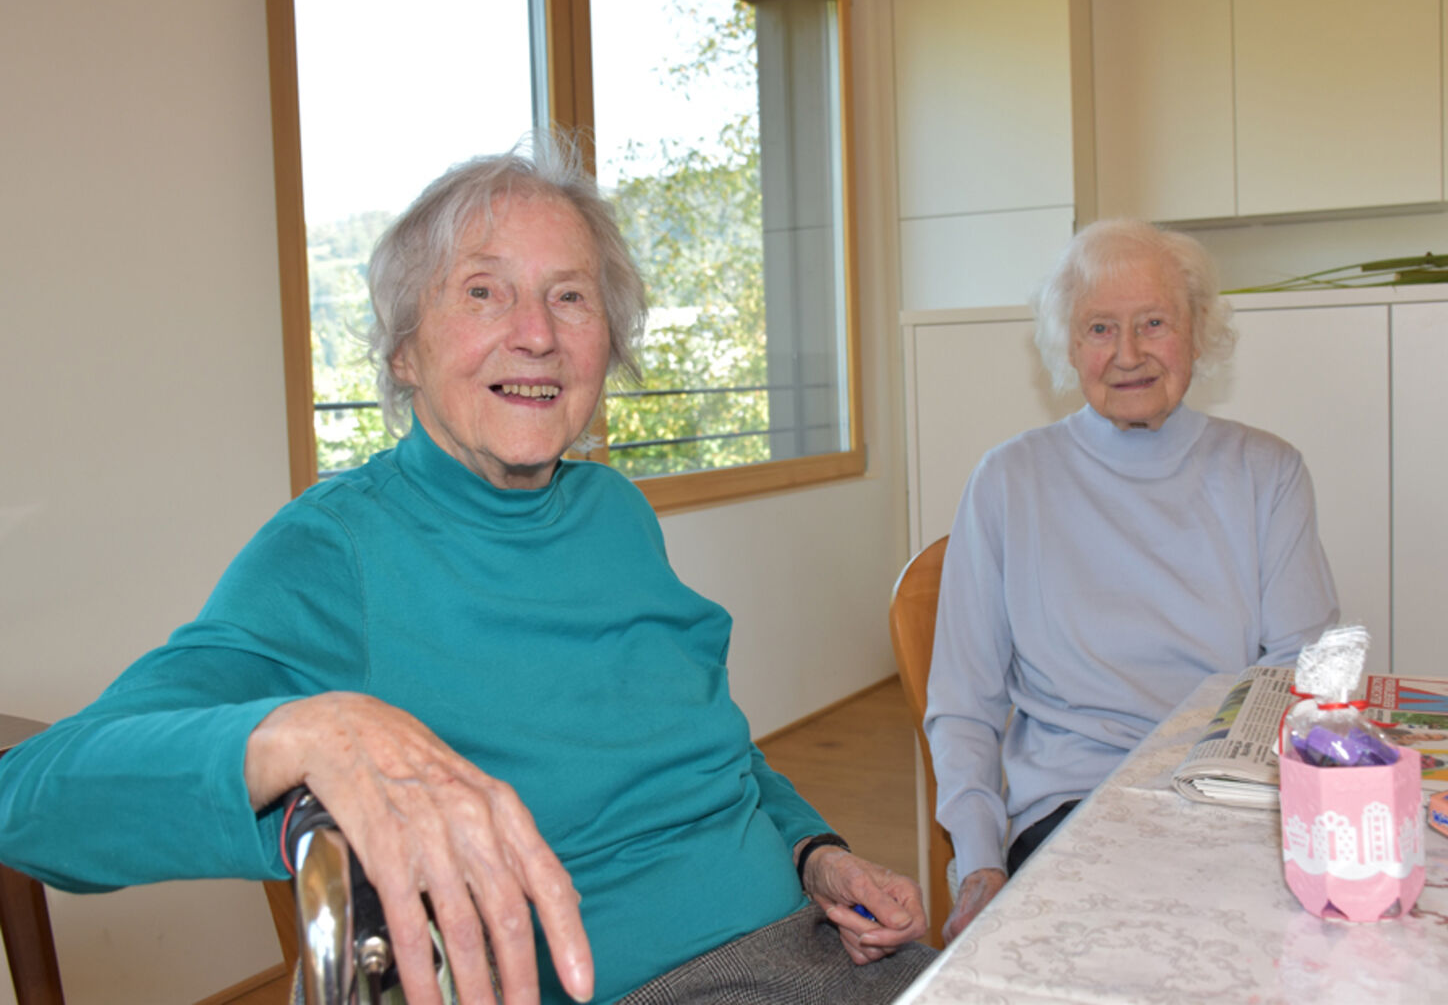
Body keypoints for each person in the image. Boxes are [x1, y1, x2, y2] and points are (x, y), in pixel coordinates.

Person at [0, 139, 932, 1004]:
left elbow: (703, 749)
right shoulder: (336, 548)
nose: (536, 333)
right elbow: (29, 801)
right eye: (483, 292)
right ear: (405, 350)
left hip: (809, 943)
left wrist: (814, 852)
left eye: (570, 297)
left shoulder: (614, 510)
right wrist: (298, 734)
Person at [924, 219, 1338, 943]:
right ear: (1068, 345)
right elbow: (964, 702)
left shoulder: (1267, 472)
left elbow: (1297, 673)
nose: (1127, 354)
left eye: (1153, 323)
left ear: (1197, 332)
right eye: (1099, 328)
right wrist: (980, 860)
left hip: (1223, 799)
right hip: (1070, 807)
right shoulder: (1007, 480)